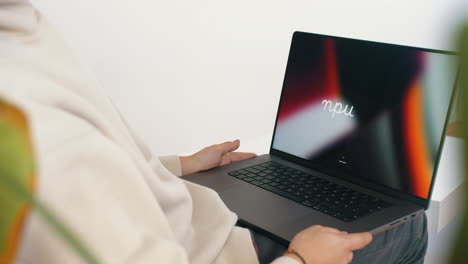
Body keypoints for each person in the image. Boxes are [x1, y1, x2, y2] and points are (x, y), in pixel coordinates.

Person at [0, 1, 428, 263]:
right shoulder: (25, 118)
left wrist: (178, 166)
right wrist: (300, 259)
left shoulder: (19, 30)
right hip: (218, 252)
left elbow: (91, 171)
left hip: (196, 223)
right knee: (412, 227)